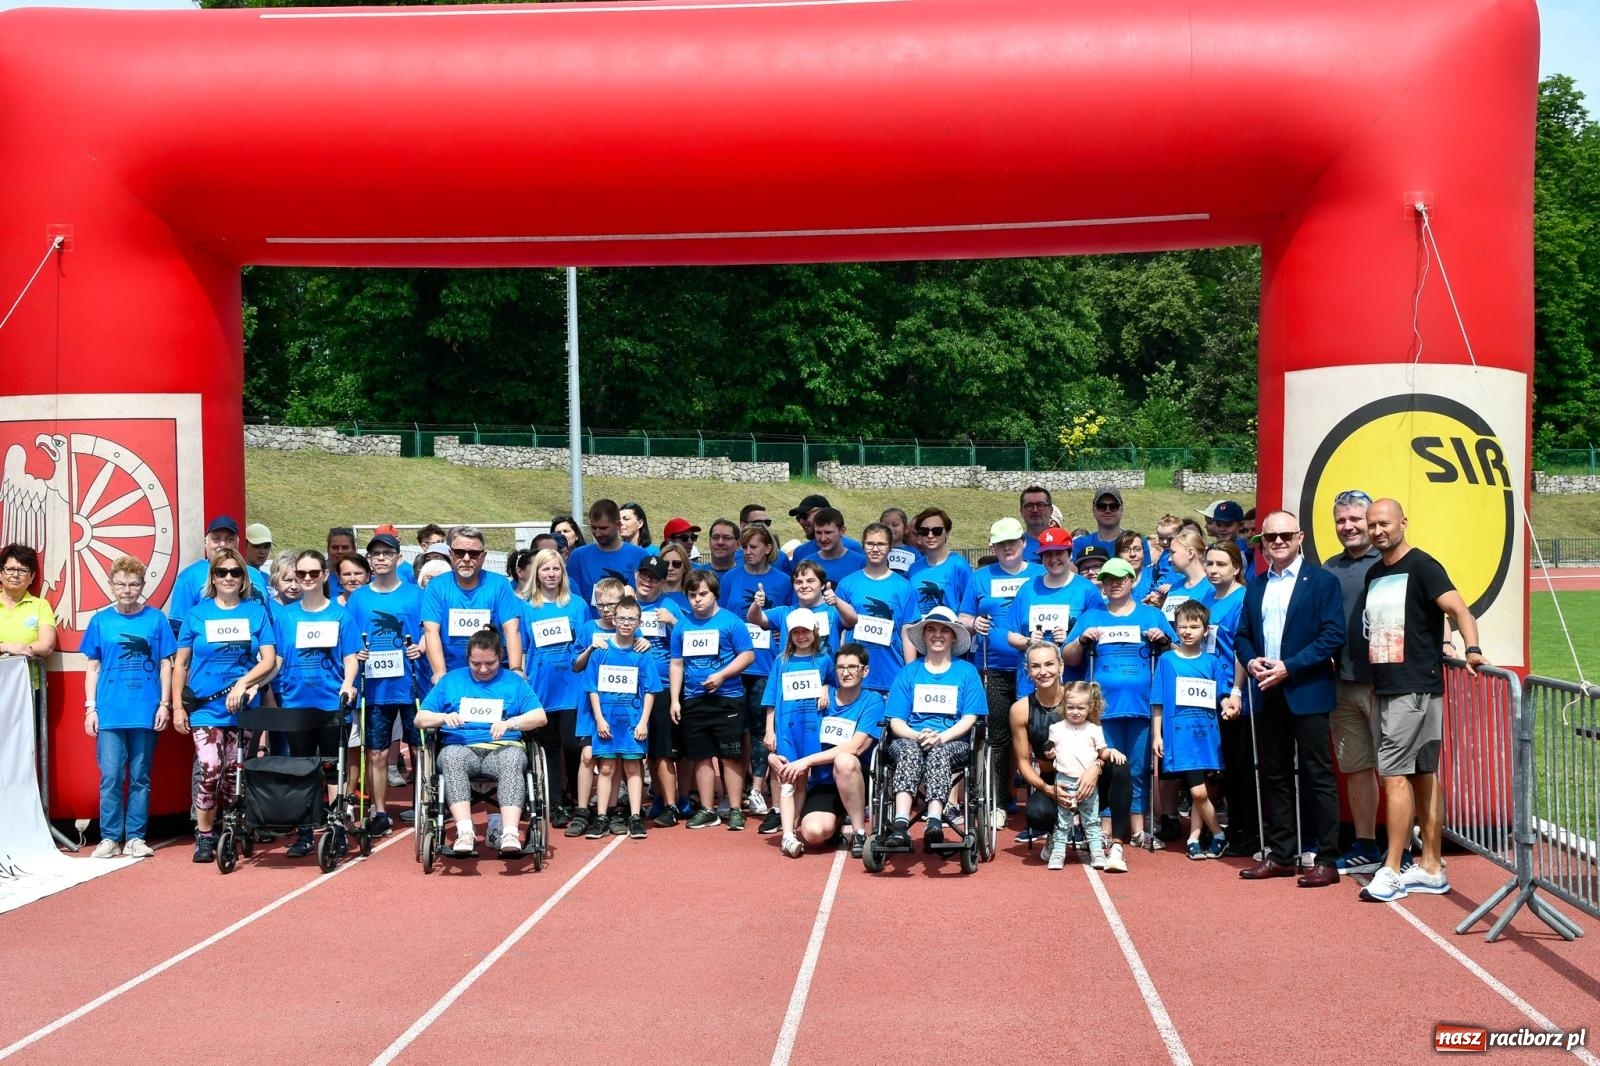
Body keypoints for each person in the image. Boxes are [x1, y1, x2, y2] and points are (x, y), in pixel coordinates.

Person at [1355, 498, 1487, 903]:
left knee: (1394, 775)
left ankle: (1392, 868)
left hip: (1415, 689)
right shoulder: (1375, 573)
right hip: (1391, 687)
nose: (1378, 531)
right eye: (1371, 524)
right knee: (1422, 775)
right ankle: (1431, 865)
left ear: (1402, 523)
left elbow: (1459, 609)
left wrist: (1473, 649)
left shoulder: (1423, 566)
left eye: (1384, 524)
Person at [1233, 510, 1346, 888]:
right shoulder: (1256, 585)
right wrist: (1251, 662)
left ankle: (1327, 858)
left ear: (1299, 537)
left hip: (1307, 691)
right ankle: (1282, 855)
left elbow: (1333, 636)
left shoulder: (1323, 582)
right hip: (1267, 692)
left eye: (1284, 535)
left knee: (1318, 776)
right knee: (1275, 774)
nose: (1277, 542)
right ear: (1261, 543)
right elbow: (1243, 635)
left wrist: (1290, 667)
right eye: (1270, 538)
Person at [171, 547, 277, 863]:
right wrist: (177, 705)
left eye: (235, 572)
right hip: (205, 706)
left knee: (235, 772)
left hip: (242, 707)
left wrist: (245, 683)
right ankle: (204, 836)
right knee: (209, 767)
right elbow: (181, 663)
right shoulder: (197, 614)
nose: (228, 577)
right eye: (222, 572)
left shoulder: (255, 612)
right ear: (213, 577)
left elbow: (269, 659)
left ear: (243, 578)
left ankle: (233, 824)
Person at [1062, 558, 1175, 847]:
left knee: (1138, 768)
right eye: (1108, 579)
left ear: (1131, 581)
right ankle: (1105, 828)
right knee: (1107, 769)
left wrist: (1162, 641)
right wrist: (1082, 640)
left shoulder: (1151, 616)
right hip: (1103, 709)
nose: (1113, 583)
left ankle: (1138, 829)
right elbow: (1069, 656)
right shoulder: (1091, 616)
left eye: (1120, 578)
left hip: (1142, 705)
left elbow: (1176, 654)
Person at [415, 627, 546, 857]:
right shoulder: (451, 681)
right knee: (451, 757)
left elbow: (540, 717)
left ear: (500, 656)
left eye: (490, 663)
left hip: (504, 748)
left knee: (514, 759)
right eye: (476, 664)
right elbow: (420, 718)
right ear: (468, 659)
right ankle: (465, 831)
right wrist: (443, 717)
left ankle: (510, 832)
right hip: (462, 749)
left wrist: (512, 723)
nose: (483, 669)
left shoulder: (514, 682)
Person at [80, 556, 176, 858]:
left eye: (133, 584)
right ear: (111, 585)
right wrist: (90, 708)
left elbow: (166, 664)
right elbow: (92, 666)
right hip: (110, 711)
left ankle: (135, 836)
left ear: (142, 586)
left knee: (140, 775)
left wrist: (165, 703)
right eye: (120, 584)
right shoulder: (100, 621)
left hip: (145, 710)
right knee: (110, 776)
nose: (127, 589)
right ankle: (110, 837)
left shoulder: (156, 619)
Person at [1011, 645, 1131, 872]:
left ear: (1061, 666)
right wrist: (1048, 789)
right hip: (1055, 780)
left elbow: (1098, 744)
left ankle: (1116, 846)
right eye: (1035, 666)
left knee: (1120, 767)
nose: (1043, 671)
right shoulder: (1020, 709)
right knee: (1036, 814)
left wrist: (1095, 768)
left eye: (1049, 664)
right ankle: (1054, 836)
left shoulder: (1079, 697)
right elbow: (1023, 764)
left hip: (1089, 780)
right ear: (1028, 670)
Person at [340, 531, 427, 834]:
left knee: (419, 748)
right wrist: (357, 652)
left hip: (412, 684)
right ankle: (379, 812)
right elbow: (348, 638)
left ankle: (422, 803)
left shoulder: (416, 594)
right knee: (376, 752)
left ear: (398, 558)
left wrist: (423, 646)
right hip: (375, 688)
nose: (380, 559)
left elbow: (431, 628)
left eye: (386, 554)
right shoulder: (359, 597)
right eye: (375, 554)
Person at [879, 606, 984, 851]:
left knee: (939, 752)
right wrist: (917, 736)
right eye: (932, 630)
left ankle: (934, 821)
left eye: (944, 630)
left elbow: (970, 718)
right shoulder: (909, 672)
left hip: (952, 739)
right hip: (911, 737)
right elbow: (895, 721)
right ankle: (901, 824)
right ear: (924, 636)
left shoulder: (967, 672)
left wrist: (941, 737)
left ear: (954, 636)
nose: (938, 635)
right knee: (909, 751)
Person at [960, 517, 1045, 813]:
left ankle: (1042, 799)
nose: (1007, 548)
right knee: (998, 735)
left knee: (1037, 733)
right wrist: (975, 623)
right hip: (992, 667)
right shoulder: (980, 577)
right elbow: (963, 618)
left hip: (1034, 669)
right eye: (1001, 544)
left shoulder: (1039, 574)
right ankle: (998, 799)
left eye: (1012, 542)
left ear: (1023, 543)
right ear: (993, 546)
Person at [1321, 489, 1385, 875]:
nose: (1348, 527)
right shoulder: (1329, 568)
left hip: (1386, 684)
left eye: (1355, 519)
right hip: (1342, 684)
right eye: (1341, 521)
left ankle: (1405, 845)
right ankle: (1366, 844)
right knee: (1358, 767)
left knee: (1398, 771)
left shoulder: (1394, 560)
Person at [269, 549, 349, 857]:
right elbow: (275, 659)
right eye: (301, 574)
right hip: (295, 703)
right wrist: (254, 684)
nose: (306, 579)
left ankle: (336, 829)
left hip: (330, 703)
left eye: (313, 574)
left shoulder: (340, 615)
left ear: (324, 576)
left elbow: (350, 657)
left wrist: (347, 683)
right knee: (301, 769)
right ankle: (304, 833)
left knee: (331, 769)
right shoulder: (286, 616)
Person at [671, 569, 756, 829]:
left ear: (714, 594)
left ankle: (734, 808)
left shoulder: (731, 622)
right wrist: (675, 699)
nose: (697, 599)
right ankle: (708, 809)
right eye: (692, 594)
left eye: (703, 594)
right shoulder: (682, 625)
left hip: (727, 698)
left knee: (730, 755)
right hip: (694, 699)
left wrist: (721, 675)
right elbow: (677, 663)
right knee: (701, 755)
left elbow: (747, 655)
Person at [722, 524, 793, 824]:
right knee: (735, 728)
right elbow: (725, 617)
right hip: (737, 662)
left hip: (766, 664)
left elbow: (788, 616)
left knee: (761, 728)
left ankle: (758, 788)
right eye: (745, 547)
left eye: (754, 547)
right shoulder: (730, 577)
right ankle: (732, 792)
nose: (748, 552)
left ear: (767, 549)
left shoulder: (782, 580)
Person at [1151, 600, 1232, 860]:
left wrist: (1228, 704)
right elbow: (1158, 700)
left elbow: (1221, 695)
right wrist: (1157, 734)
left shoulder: (1212, 662)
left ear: (1205, 631)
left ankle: (1194, 837)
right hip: (1179, 736)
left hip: (1207, 735)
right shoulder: (1167, 660)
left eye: (1194, 626)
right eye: (1182, 626)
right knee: (1197, 790)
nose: (1187, 631)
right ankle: (1219, 834)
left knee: (1202, 790)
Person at [517, 547, 588, 827]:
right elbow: (521, 648)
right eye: (545, 569)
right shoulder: (526, 607)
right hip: (541, 688)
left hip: (572, 687)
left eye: (556, 568)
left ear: (563, 572)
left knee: (573, 745)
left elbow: (585, 646)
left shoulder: (577, 605)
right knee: (550, 747)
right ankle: (555, 802)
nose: (551, 574)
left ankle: (574, 793)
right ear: (537, 573)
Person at [567, 577, 642, 837]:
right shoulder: (589, 628)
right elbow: (575, 664)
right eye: (601, 605)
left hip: (621, 707)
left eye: (612, 604)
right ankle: (582, 810)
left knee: (614, 757)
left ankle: (611, 811)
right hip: (593, 705)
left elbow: (641, 650)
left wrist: (646, 643)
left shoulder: (629, 628)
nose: (607, 610)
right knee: (588, 756)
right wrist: (590, 648)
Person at [760, 610, 838, 854]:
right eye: (796, 632)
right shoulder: (781, 661)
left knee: (803, 775)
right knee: (788, 778)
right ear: (789, 635)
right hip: (787, 727)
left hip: (813, 727)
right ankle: (787, 834)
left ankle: (793, 825)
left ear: (814, 633)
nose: (801, 636)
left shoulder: (824, 659)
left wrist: (825, 687)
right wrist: (769, 731)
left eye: (805, 631)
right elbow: (771, 698)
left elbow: (836, 685)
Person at [583, 596, 660, 840]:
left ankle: (636, 817)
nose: (626, 623)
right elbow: (592, 688)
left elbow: (650, 690)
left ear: (639, 622)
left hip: (633, 722)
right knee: (605, 767)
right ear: (614, 620)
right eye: (622, 618)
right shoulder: (601, 652)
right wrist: (599, 719)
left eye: (632, 619)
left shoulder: (643, 654)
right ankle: (602, 816)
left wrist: (644, 721)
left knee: (633, 767)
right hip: (606, 721)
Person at [1202, 540, 1255, 856]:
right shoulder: (1208, 596)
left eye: (1221, 564)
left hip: (1231, 695)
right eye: (1210, 563)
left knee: (1238, 767)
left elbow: (1240, 649)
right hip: (1206, 691)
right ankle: (1220, 829)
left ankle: (1246, 832)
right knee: (1215, 767)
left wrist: (1235, 690)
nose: (1213, 570)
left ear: (1236, 567)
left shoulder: (1242, 599)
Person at [1005, 526, 1103, 698]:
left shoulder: (1087, 590)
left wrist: (1072, 641)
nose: (1054, 559)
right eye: (1048, 554)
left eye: (1059, 553)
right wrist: (1028, 641)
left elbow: (1099, 633)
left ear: (1070, 554)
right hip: (1030, 686)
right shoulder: (1028, 589)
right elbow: (1010, 634)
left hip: (1072, 687)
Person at [422, 525, 524, 682]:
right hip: (451, 675)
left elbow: (512, 629)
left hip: (494, 675)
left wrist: (516, 669)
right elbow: (431, 632)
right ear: (450, 554)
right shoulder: (436, 586)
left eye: (474, 554)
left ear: (483, 556)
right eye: (460, 553)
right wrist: (440, 673)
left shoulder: (499, 584)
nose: (467, 559)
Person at [632, 556, 690, 826]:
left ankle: (672, 804)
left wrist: (674, 622)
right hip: (633, 688)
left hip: (664, 685)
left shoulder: (668, 605)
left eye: (654, 577)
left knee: (664, 749)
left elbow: (690, 639)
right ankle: (658, 797)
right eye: (644, 575)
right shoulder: (628, 606)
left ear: (662, 582)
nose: (648, 581)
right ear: (636, 576)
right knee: (649, 749)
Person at [1045, 678, 1119, 871]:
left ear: (1090, 708)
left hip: (1088, 783)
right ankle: (1058, 853)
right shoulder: (1056, 728)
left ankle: (1097, 853)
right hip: (1064, 780)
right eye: (1070, 707)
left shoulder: (1094, 729)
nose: (1075, 712)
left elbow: (1102, 752)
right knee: (1063, 821)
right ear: (1063, 706)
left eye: (1080, 708)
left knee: (1091, 821)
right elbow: (1050, 748)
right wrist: (1049, 752)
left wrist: (1111, 752)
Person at [165, 515, 271, 633]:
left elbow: (268, 621)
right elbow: (178, 626)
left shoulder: (255, 575)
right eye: (216, 539)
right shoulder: (189, 576)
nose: (222, 544)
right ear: (206, 542)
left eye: (229, 539)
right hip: (209, 646)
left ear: (238, 542)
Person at [567, 499, 649, 604]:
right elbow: (575, 601)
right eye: (593, 527)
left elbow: (648, 596)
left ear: (618, 525)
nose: (597, 533)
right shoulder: (578, 557)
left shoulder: (639, 555)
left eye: (603, 528)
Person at [0, 543, 58, 690]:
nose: (15, 574)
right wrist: (7, 647)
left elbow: (47, 645)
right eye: (10, 569)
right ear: (1, 573)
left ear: (32, 577)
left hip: (28, 688)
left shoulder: (40, 606)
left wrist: (20, 649)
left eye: (22, 570)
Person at [907, 506, 972, 615]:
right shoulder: (914, 568)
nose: (930, 535)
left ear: (947, 533)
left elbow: (970, 606)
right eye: (924, 531)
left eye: (937, 531)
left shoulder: (959, 565)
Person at [1074, 485, 1146, 565]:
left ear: (1121, 510)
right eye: (1101, 506)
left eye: (1114, 506)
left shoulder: (1137, 541)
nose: (1108, 510)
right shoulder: (1080, 544)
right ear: (1094, 511)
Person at [789, 494, 863, 562]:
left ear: (822, 513)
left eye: (804, 516)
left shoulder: (853, 548)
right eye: (798, 518)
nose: (801, 521)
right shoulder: (800, 552)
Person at [805, 507, 866, 586]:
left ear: (842, 531)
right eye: (818, 533)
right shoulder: (807, 564)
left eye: (828, 532)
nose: (823, 538)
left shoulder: (861, 563)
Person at [1018, 485, 1054, 562]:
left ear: (1051, 510)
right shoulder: (1014, 548)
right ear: (1021, 512)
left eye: (1040, 505)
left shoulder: (1065, 544)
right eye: (1029, 506)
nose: (1035, 510)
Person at [878, 507, 918, 574]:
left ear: (906, 528)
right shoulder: (875, 550)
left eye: (895, 525)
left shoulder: (914, 553)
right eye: (885, 526)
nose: (890, 528)